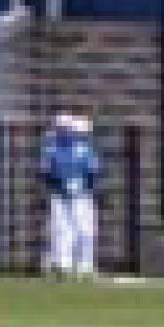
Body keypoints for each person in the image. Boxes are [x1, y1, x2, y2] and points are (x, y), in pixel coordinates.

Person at [37, 112, 103, 280]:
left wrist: (88, 187)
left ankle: (85, 265)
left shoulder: (85, 149)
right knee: (61, 229)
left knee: (85, 230)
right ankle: (62, 264)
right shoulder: (52, 149)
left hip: (82, 195)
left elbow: (93, 171)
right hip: (60, 194)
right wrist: (58, 184)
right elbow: (45, 172)